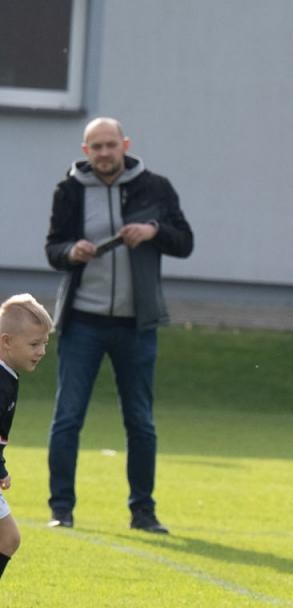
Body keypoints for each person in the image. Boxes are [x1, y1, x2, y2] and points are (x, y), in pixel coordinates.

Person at [43, 117, 194, 533]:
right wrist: (72, 250)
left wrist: (152, 230)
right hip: (82, 323)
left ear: (125, 144)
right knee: (67, 417)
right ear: (86, 150)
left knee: (140, 421)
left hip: (136, 324)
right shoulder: (69, 190)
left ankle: (143, 512)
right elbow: (52, 249)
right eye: (97, 146)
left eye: (112, 144)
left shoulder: (155, 187)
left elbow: (185, 242)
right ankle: (62, 510)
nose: (106, 153)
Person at [0, 295, 55, 608]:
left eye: (45, 343)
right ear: (6, 342)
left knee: (8, 539)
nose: (41, 351)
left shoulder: (8, 376)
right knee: (8, 538)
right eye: (34, 343)